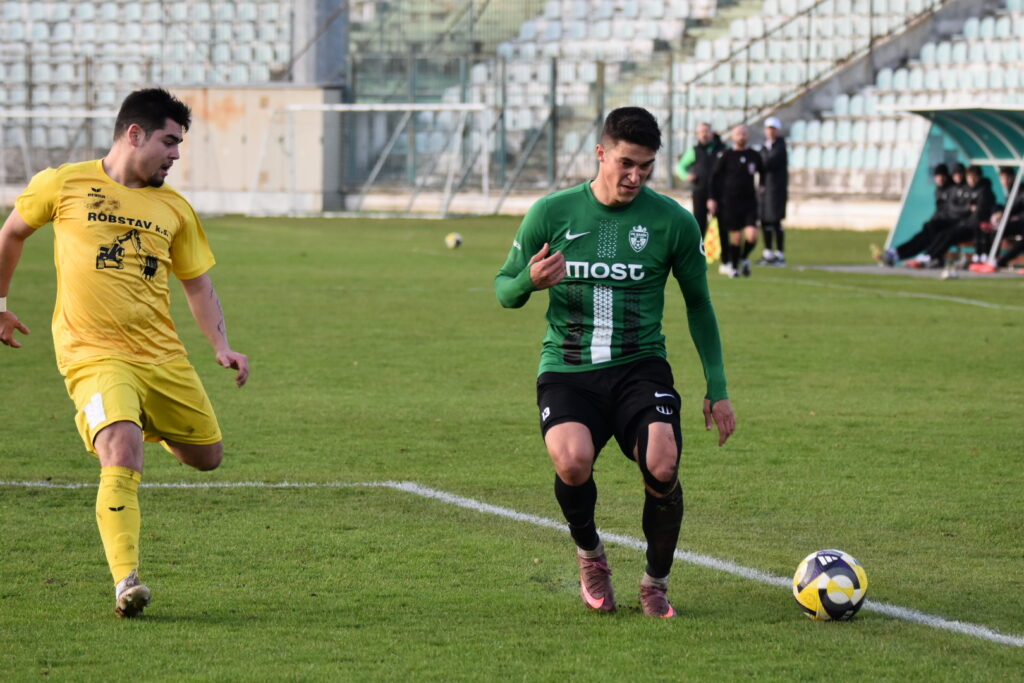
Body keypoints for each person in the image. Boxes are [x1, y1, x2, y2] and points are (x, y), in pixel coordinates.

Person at [0, 88, 249, 618]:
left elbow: (197, 283)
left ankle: (140, 419)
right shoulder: (64, 183)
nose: (176, 155)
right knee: (120, 450)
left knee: (207, 456)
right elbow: (12, 234)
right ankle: (126, 582)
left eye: (179, 145)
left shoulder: (175, 208)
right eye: (169, 142)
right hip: (92, 353)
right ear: (134, 134)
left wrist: (221, 346)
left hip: (161, 357)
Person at [494, 107, 735, 618]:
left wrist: (717, 386)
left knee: (662, 461)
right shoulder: (551, 213)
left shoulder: (672, 221)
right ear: (601, 153)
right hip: (568, 367)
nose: (635, 176)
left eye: (646, 166)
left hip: (639, 365)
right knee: (571, 460)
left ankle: (655, 582)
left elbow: (699, 304)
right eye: (626, 163)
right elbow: (504, 290)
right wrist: (529, 282)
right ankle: (591, 556)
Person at [874, 163, 963, 266]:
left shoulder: (952, 189)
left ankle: (899, 255)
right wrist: (933, 220)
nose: (940, 179)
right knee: (919, 238)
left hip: (946, 225)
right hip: (938, 224)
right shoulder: (939, 190)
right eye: (937, 176)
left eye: (942, 176)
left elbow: (949, 212)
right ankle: (895, 253)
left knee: (923, 239)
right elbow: (940, 211)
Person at [708, 124, 763, 277]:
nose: (741, 136)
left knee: (752, 235)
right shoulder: (726, 155)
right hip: (730, 202)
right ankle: (733, 266)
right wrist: (712, 198)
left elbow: (763, 172)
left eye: (744, 133)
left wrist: (762, 185)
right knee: (736, 237)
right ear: (733, 136)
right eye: (738, 134)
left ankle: (743, 258)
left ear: (748, 135)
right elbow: (715, 177)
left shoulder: (754, 155)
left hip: (749, 202)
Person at [915, 165, 995, 268]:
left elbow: (980, 212)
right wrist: (967, 209)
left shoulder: (984, 192)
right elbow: (956, 207)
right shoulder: (968, 190)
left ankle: (931, 256)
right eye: (969, 177)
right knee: (943, 234)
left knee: (950, 235)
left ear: (979, 177)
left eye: (973, 177)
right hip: (965, 224)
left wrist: (967, 216)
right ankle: (929, 255)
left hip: (972, 227)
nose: (971, 180)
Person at [675, 122, 725, 238]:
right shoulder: (694, 151)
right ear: (697, 134)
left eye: (706, 131)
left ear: (712, 133)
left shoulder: (723, 149)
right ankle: (699, 248)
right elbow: (680, 167)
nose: (704, 135)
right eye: (701, 132)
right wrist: (686, 176)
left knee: (723, 227)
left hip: (720, 193)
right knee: (699, 225)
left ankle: (725, 250)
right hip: (700, 192)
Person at [971, 166, 1024, 273]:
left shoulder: (1020, 189)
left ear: (1013, 177)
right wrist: (1000, 212)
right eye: (1003, 178)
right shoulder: (1011, 190)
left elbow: (1017, 205)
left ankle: (997, 261)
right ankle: (990, 260)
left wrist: (1005, 214)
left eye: (1007, 178)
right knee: (996, 229)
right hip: (1018, 222)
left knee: (1002, 231)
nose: (1005, 181)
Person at [757, 117, 788, 267]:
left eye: (773, 129)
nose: (770, 131)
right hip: (766, 190)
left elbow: (767, 163)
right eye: (769, 129)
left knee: (775, 220)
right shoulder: (765, 147)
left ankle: (779, 253)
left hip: (777, 190)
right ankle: (768, 252)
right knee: (765, 220)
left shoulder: (780, 147)